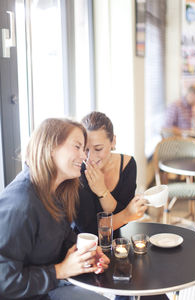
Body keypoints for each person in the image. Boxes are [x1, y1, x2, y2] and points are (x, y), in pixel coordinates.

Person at [0, 118, 110, 300]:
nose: (84, 156)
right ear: (50, 148)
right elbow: (4, 281)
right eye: (77, 147)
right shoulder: (20, 204)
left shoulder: (56, 192)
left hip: (47, 288)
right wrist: (59, 270)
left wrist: (86, 254)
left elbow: (62, 239)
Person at [73, 111, 169, 300]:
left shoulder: (127, 164)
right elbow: (91, 231)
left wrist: (103, 192)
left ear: (113, 141)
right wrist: (126, 214)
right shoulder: (78, 172)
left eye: (98, 148)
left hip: (117, 242)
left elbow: (118, 218)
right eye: (86, 149)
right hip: (84, 251)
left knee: (148, 287)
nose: (90, 157)